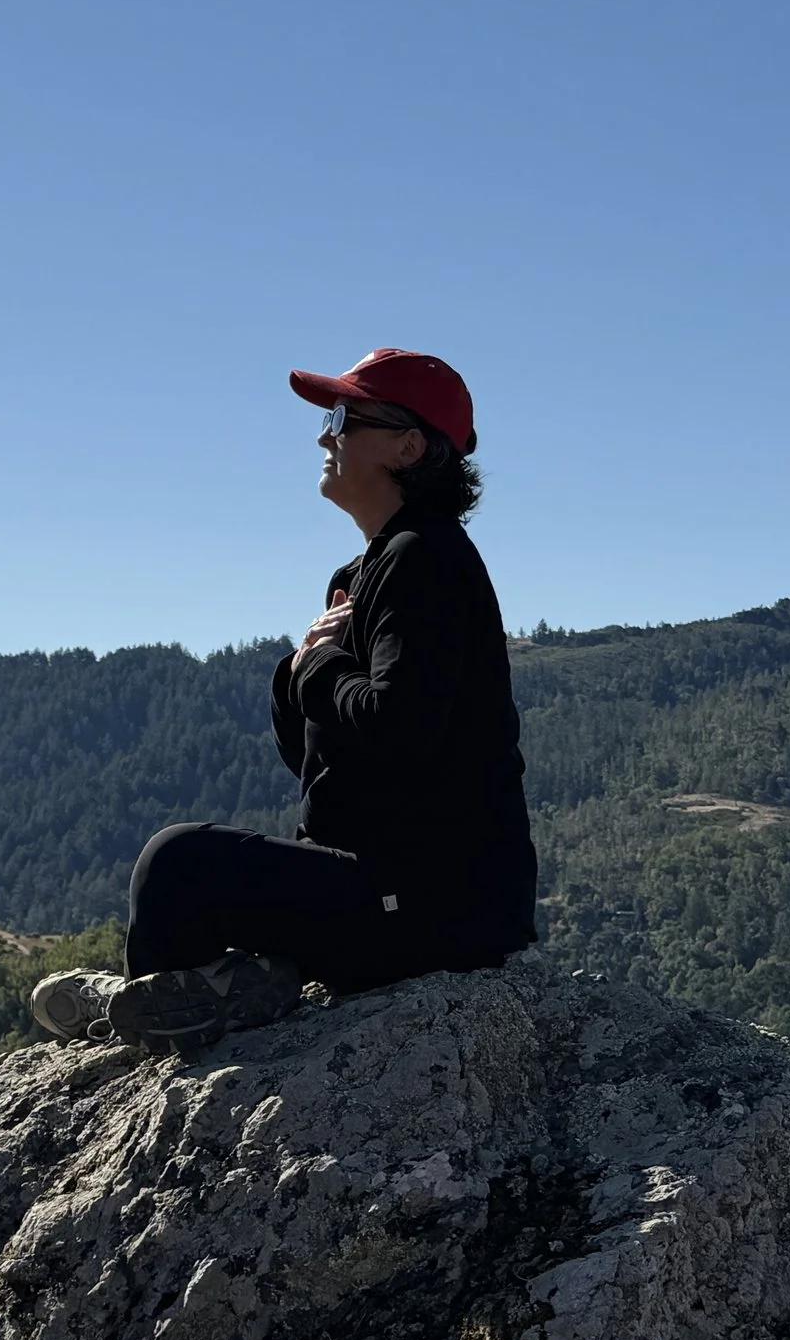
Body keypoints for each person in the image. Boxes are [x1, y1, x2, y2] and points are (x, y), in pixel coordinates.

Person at [31, 347, 538, 1053]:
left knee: (178, 863)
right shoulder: (370, 569)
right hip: (395, 886)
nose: (324, 434)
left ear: (408, 445)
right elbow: (314, 754)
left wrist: (321, 665)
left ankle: (158, 1003)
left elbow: (398, 727)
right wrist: (300, 669)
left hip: (439, 906)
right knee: (180, 871)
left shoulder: (426, 558)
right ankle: (201, 994)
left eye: (342, 416)